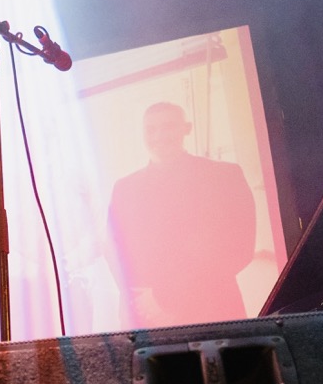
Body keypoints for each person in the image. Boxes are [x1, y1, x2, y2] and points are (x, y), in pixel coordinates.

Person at [107, 101, 256, 327]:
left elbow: (238, 247)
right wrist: (138, 302)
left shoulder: (224, 176)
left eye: (168, 126)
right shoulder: (124, 188)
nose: (159, 136)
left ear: (186, 128)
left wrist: (165, 300)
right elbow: (114, 250)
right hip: (146, 318)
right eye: (151, 129)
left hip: (212, 312)